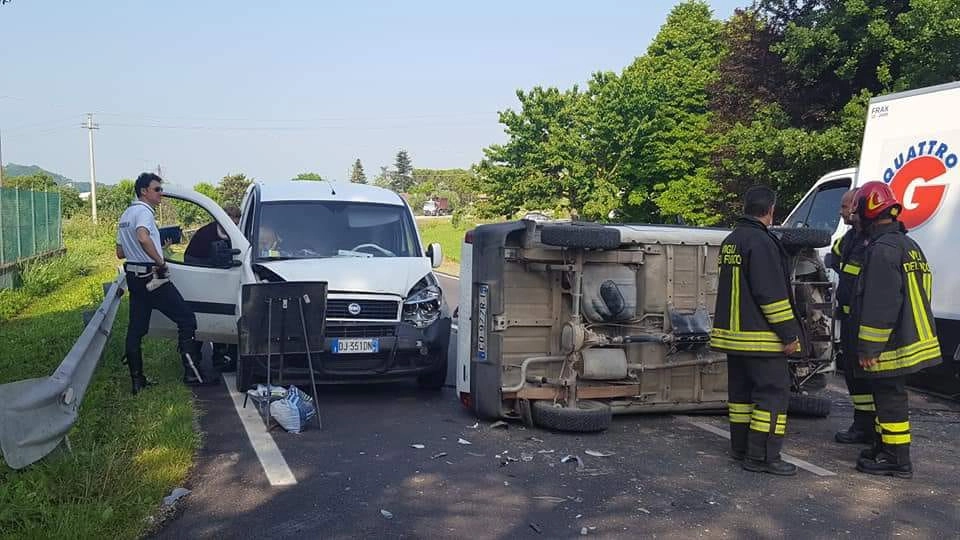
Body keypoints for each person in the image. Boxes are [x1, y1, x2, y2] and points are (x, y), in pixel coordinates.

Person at [850, 181, 941, 478]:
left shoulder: (881, 250)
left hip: (890, 341)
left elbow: (880, 304)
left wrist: (868, 348)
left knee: (889, 397)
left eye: (858, 212)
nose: (856, 218)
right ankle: (883, 445)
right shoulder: (909, 245)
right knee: (884, 394)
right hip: (910, 335)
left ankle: (897, 458)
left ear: (868, 212)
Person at [711, 185, 803, 476]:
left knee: (741, 395)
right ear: (770, 210)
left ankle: (741, 449)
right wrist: (789, 334)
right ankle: (763, 456)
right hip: (761, 338)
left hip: (733, 336)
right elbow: (770, 294)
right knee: (773, 395)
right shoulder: (761, 242)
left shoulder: (731, 240)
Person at [116, 172, 215, 394]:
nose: (161, 193)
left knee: (136, 330)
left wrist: (157, 245)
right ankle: (192, 374)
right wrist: (160, 260)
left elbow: (120, 252)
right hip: (152, 276)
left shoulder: (126, 215)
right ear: (144, 191)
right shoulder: (144, 212)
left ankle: (137, 380)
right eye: (157, 189)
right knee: (186, 319)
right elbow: (143, 237)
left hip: (134, 275)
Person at [825, 189, 875, 444]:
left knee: (871, 378)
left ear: (856, 208)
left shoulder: (872, 240)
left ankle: (876, 430)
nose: (841, 212)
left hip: (866, 321)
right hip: (849, 319)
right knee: (854, 376)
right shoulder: (851, 237)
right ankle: (863, 425)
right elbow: (834, 255)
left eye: (844, 207)